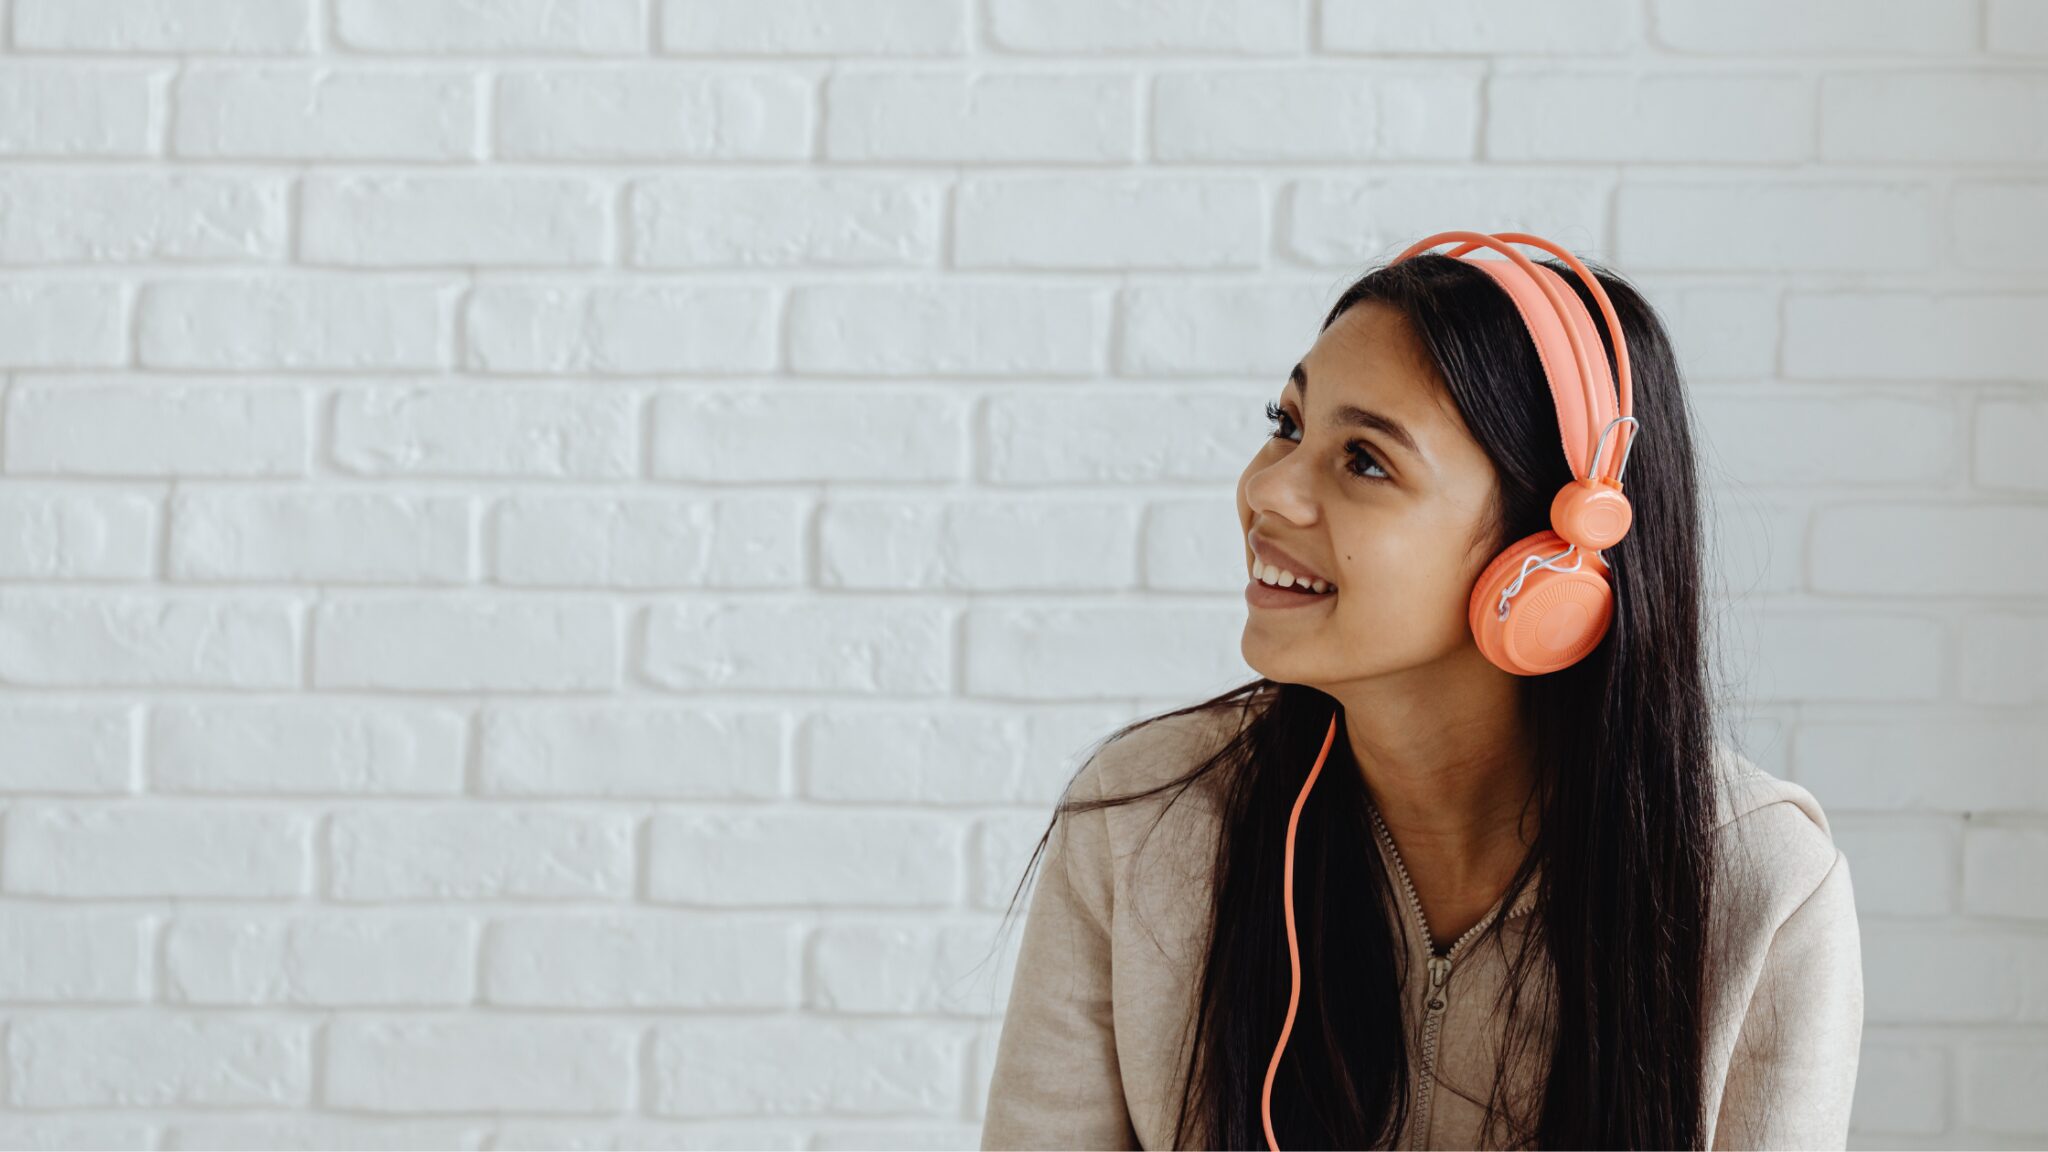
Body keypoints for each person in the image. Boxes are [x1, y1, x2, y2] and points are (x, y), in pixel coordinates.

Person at [978, 248, 1863, 1150]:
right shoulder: (1139, 822)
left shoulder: (1761, 890)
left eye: (1364, 461)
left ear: (1549, 559)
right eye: (1286, 425)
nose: (1265, 489)